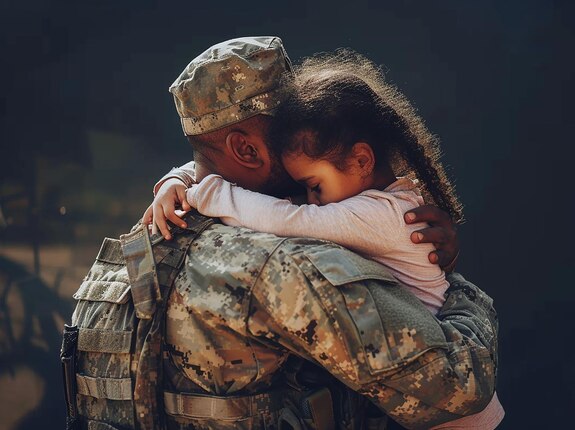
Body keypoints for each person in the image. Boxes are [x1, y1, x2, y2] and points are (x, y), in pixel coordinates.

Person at [131, 36, 499, 429]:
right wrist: (462, 293)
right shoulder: (289, 258)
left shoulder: (152, 233)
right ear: (246, 150)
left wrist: (182, 178)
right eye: (287, 133)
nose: (302, 145)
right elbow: (457, 386)